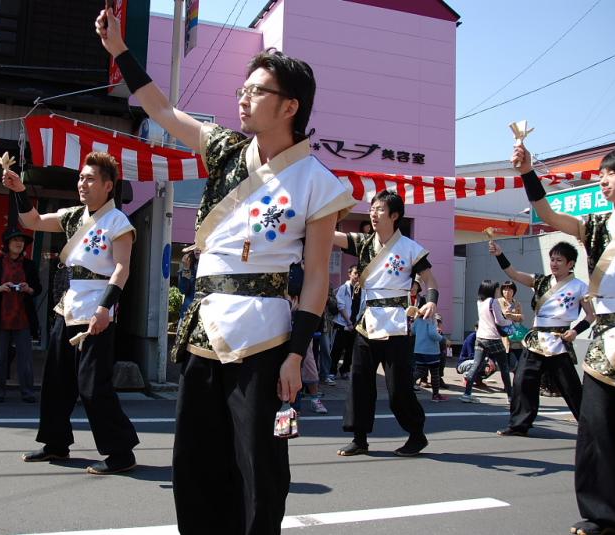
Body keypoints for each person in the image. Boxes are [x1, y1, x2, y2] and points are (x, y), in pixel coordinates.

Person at [97, 9, 356, 535]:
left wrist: (296, 354)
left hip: (265, 339)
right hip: (204, 329)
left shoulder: (318, 183)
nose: (242, 97)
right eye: (242, 88)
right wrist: (121, 50)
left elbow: (316, 279)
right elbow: (162, 108)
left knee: (260, 465)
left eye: (256, 91)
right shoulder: (222, 147)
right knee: (193, 462)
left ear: (290, 105)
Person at [514, 141, 615, 535]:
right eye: (601, 173)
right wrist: (526, 171)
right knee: (596, 430)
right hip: (605, 340)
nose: (603, 180)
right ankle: (606, 515)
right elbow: (547, 212)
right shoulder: (598, 226)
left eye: (611, 173)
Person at [3, 151, 139, 475]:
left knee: (92, 386)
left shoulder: (118, 222)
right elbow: (32, 222)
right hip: (68, 308)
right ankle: (55, 444)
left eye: (90, 178)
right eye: (81, 177)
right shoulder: (73, 216)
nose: (82, 183)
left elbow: (122, 268)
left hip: (97, 313)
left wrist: (106, 307)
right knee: (55, 382)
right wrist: (19, 190)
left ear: (108, 186)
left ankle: (121, 452)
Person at [332, 189, 439, 458]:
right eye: (372, 208)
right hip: (366, 323)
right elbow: (332, 236)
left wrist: (432, 301)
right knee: (359, 383)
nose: (373, 213)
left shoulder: (411, 249)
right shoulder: (363, 243)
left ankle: (416, 435)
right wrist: (314, 218)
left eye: (380, 209)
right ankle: (359, 438)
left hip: (397, 325)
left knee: (398, 388)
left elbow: (431, 282)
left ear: (395, 215)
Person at [488, 240, 593, 437]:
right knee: (522, 382)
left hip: (559, 341)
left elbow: (591, 315)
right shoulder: (541, 281)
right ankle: (519, 425)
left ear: (570, 264)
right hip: (536, 340)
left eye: (559, 260)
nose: (554, 263)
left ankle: (590, 427)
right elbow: (514, 274)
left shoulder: (580, 287)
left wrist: (576, 331)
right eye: (552, 259)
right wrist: (499, 254)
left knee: (570, 387)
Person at [0, 228, 42, 403]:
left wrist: (28, 288)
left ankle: (27, 392)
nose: (19, 243)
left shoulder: (29, 265)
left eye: (21, 241)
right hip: (0, 317)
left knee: (26, 357)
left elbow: (37, 288)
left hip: (22, 317)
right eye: (15, 240)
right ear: (7, 244)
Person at [459, 280, 514, 403]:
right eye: (497, 289)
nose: (498, 291)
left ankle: (467, 393)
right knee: (504, 367)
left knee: (476, 365)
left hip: (480, 337)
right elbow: (499, 321)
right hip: (492, 337)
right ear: (491, 290)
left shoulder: (480, 302)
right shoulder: (493, 302)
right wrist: (509, 321)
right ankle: (510, 396)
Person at [329, 265, 360, 380]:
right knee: (337, 348)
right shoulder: (344, 288)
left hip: (355, 324)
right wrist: (348, 322)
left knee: (350, 350)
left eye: (359, 274)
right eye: (355, 273)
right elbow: (340, 306)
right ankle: (332, 371)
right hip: (342, 323)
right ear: (350, 274)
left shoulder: (361, 289)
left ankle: (345, 370)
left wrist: (355, 323)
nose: (357, 276)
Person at [411, 313, 447, 401]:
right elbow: (433, 334)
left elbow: (413, 331)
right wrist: (443, 339)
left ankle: (405, 383)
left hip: (419, 349)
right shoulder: (431, 319)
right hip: (431, 351)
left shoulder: (417, 320)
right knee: (435, 373)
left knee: (420, 371)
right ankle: (435, 395)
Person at [497, 280, 524, 370]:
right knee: (505, 363)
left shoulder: (517, 303)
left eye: (510, 290)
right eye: (505, 290)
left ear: (514, 291)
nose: (507, 292)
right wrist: (510, 316)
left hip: (515, 336)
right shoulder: (498, 302)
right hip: (503, 336)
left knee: (520, 361)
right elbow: (500, 317)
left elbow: (521, 318)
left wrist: (511, 316)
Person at [177, 251, 197, 320]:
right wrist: (186, 269)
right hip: (188, 314)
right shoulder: (189, 268)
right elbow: (183, 289)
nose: (197, 249)